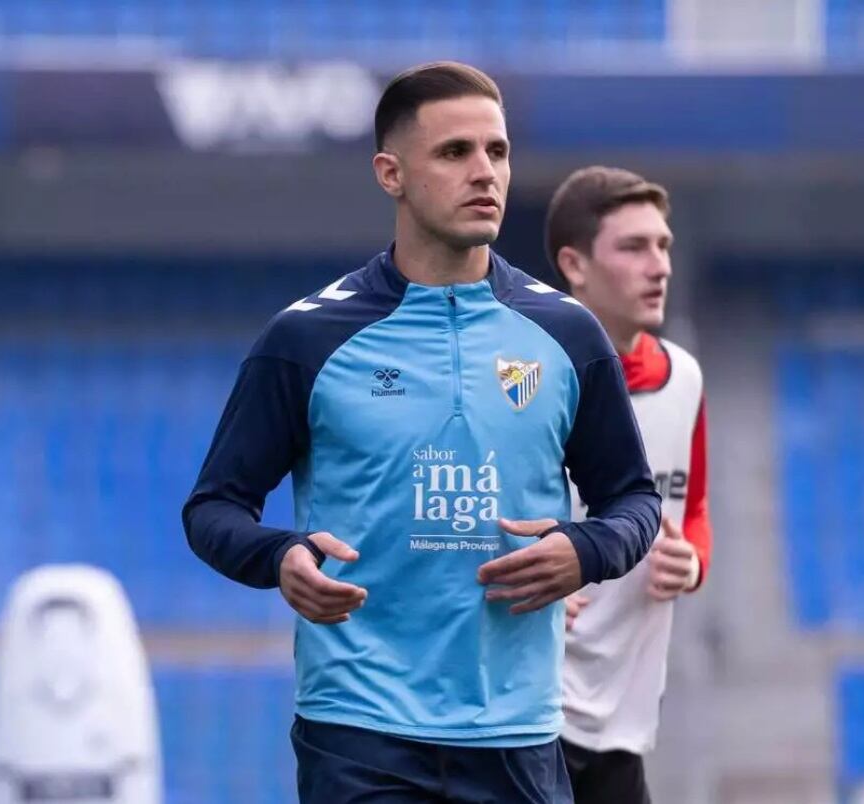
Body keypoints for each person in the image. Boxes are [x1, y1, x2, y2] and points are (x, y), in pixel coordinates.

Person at [181, 62, 662, 803]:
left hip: (517, 734)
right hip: (358, 733)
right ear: (390, 173)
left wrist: (585, 548)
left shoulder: (566, 335)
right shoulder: (307, 338)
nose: (484, 173)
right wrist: (279, 558)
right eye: (453, 153)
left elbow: (631, 497)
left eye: (496, 153)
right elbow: (213, 508)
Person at [547, 166, 712, 804]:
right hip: (527, 719)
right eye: (634, 247)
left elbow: (692, 507)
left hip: (624, 733)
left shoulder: (685, 378)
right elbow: (459, 519)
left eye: (664, 245)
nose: (659, 265)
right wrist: (513, 571)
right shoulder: (524, 380)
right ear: (575, 264)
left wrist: (692, 561)